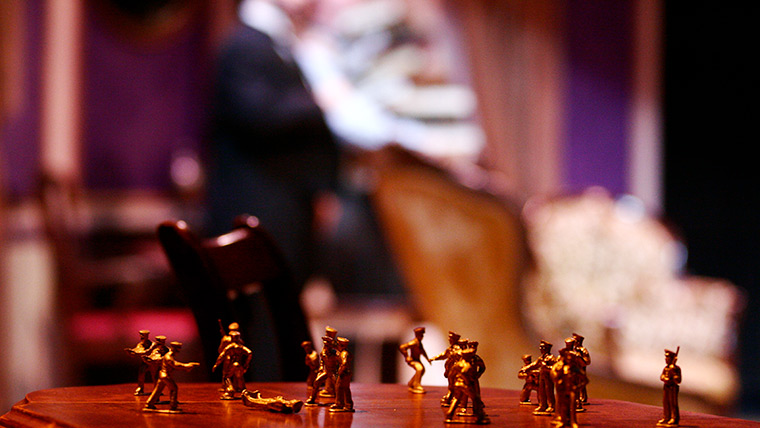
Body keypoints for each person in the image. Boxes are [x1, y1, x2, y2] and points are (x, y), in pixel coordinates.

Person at [207, 0, 340, 294]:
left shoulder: (280, 44)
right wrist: (318, 101)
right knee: (261, 313)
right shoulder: (246, 44)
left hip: (286, 205)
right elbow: (257, 115)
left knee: (283, 305)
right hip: (259, 204)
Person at [143, 342, 200, 412]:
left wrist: (187, 367)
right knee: (174, 388)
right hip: (165, 375)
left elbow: (175, 365)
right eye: (177, 349)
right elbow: (175, 365)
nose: (178, 351)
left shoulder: (169, 355)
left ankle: (149, 404)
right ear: (173, 348)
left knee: (158, 390)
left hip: (163, 375)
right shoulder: (168, 357)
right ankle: (173, 406)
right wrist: (187, 365)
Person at [213, 330, 253, 399]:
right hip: (239, 365)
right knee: (240, 378)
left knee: (226, 377)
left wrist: (216, 364)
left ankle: (230, 392)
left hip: (232, 365)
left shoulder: (231, 347)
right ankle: (243, 392)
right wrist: (246, 363)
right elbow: (250, 353)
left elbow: (222, 355)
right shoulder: (241, 347)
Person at [399, 327, 430, 394]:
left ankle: (411, 383)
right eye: (420, 335)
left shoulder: (419, 343)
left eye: (422, 335)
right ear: (416, 335)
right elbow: (402, 347)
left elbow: (423, 352)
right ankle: (416, 385)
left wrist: (428, 359)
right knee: (419, 369)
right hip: (413, 360)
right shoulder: (413, 342)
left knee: (422, 370)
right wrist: (407, 357)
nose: (422, 337)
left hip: (417, 360)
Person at [124, 330, 154, 395]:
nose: (141, 337)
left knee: (155, 376)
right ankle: (140, 388)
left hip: (153, 363)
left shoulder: (152, 344)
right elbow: (137, 350)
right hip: (145, 363)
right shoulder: (140, 344)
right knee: (141, 374)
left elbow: (146, 352)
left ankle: (156, 389)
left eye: (143, 335)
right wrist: (131, 351)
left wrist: (135, 352)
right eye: (141, 335)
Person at [329, 337, 354, 412]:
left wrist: (340, 371)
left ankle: (341, 404)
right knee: (344, 388)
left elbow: (344, 363)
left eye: (338, 344)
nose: (337, 346)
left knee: (340, 387)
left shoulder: (344, 353)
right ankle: (345, 404)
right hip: (346, 372)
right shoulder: (344, 352)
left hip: (344, 373)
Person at [658, 348, 681, 426]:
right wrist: (664, 378)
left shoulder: (676, 368)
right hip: (666, 387)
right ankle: (666, 417)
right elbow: (661, 376)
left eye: (668, 357)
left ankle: (674, 418)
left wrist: (673, 373)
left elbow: (678, 380)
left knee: (673, 403)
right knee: (665, 403)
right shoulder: (666, 368)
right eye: (666, 357)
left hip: (673, 388)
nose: (666, 359)